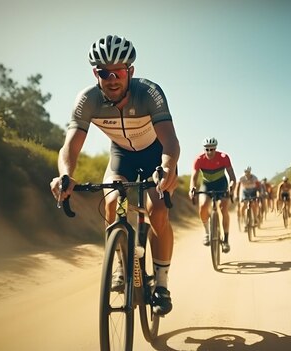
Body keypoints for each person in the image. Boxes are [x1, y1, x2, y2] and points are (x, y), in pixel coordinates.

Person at [49, 35, 180, 316]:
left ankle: (162, 284)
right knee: (110, 203)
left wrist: (167, 169)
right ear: (95, 73)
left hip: (157, 155)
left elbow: (170, 141)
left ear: (130, 72)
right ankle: (121, 261)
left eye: (118, 72)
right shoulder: (88, 99)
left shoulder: (149, 93)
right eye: (103, 73)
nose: (111, 79)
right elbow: (70, 145)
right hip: (122, 157)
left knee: (157, 209)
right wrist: (65, 175)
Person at [189, 137, 236, 253]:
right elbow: (194, 177)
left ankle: (225, 240)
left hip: (222, 184)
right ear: (204, 149)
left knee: (223, 209)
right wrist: (192, 188)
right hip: (207, 185)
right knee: (203, 205)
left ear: (216, 148)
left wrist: (231, 185)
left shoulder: (224, 157)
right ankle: (206, 232)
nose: (209, 152)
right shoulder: (199, 159)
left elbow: (232, 176)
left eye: (212, 149)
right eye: (207, 149)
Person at [235, 166, 261, 231]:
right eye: (246, 172)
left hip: (253, 190)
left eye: (248, 172)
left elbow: (258, 186)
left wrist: (259, 193)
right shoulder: (242, 178)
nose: (247, 173)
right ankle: (244, 221)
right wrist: (236, 195)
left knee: (254, 204)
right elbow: (237, 187)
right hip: (245, 191)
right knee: (243, 205)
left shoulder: (254, 178)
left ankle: (255, 218)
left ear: (250, 172)